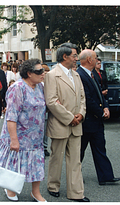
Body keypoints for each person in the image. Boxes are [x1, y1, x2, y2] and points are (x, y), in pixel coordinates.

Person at [0, 59, 46, 202]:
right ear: (29, 73)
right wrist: (14, 140)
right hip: (19, 134)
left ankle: (35, 192)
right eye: (39, 71)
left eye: (42, 70)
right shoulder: (17, 88)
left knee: (36, 163)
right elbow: (11, 116)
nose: (43, 74)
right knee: (15, 163)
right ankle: (10, 188)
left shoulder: (40, 87)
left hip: (36, 136)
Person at [44, 43, 89, 202]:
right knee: (57, 158)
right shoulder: (51, 75)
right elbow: (51, 101)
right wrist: (70, 118)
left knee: (75, 160)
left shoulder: (76, 75)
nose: (77, 59)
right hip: (60, 124)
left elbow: (83, 98)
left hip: (77, 124)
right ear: (65, 57)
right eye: (75, 56)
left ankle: (76, 193)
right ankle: (53, 186)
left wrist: (81, 115)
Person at [77, 49, 120, 186]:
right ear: (89, 60)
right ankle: (76, 177)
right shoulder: (80, 75)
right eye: (95, 58)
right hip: (87, 121)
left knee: (100, 148)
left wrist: (106, 106)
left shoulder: (93, 74)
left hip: (96, 121)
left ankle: (106, 176)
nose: (97, 60)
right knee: (79, 152)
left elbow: (100, 94)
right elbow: (87, 100)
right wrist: (101, 112)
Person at [41, 63, 50, 157]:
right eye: (45, 71)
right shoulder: (39, 84)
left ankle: (45, 146)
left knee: (45, 130)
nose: (46, 73)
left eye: (48, 71)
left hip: (47, 109)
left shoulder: (49, 83)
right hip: (40, 109)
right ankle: (41, 147)